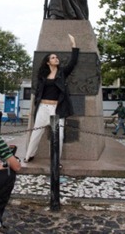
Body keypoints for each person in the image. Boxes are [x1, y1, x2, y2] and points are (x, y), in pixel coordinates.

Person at [24, 34, 79, 165]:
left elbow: (73, 62)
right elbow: (38, 92)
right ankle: (29, 155)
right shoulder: (42, 76)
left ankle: (55, 161)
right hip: (43, 108)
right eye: (53, 57)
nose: (56, 59)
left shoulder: (62, 73)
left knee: (58, 136)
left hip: (56, 109)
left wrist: (74, 44)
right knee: (36, 133)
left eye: (56, 57)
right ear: (48, 62)